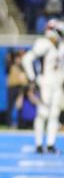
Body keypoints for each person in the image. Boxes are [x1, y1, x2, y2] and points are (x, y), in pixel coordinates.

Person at [22, 20, 64, 153]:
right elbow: (27, 59)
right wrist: (33, 79)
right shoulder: (44, 44)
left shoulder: (61, 46)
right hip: (45, 83)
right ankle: (39, 144)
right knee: (42, 114)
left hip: (57, 85)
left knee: (54, 115)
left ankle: (51, 144)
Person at [5, 49, 28, 127]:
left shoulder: (23, 68)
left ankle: (20, 123)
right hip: (11, 88)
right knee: (10, 106)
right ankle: (9, 123)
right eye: (17, 58)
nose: (18, 60)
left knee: (20, 106)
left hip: (19, 88)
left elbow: (24, 80)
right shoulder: (10, 66)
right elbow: (7, 59)